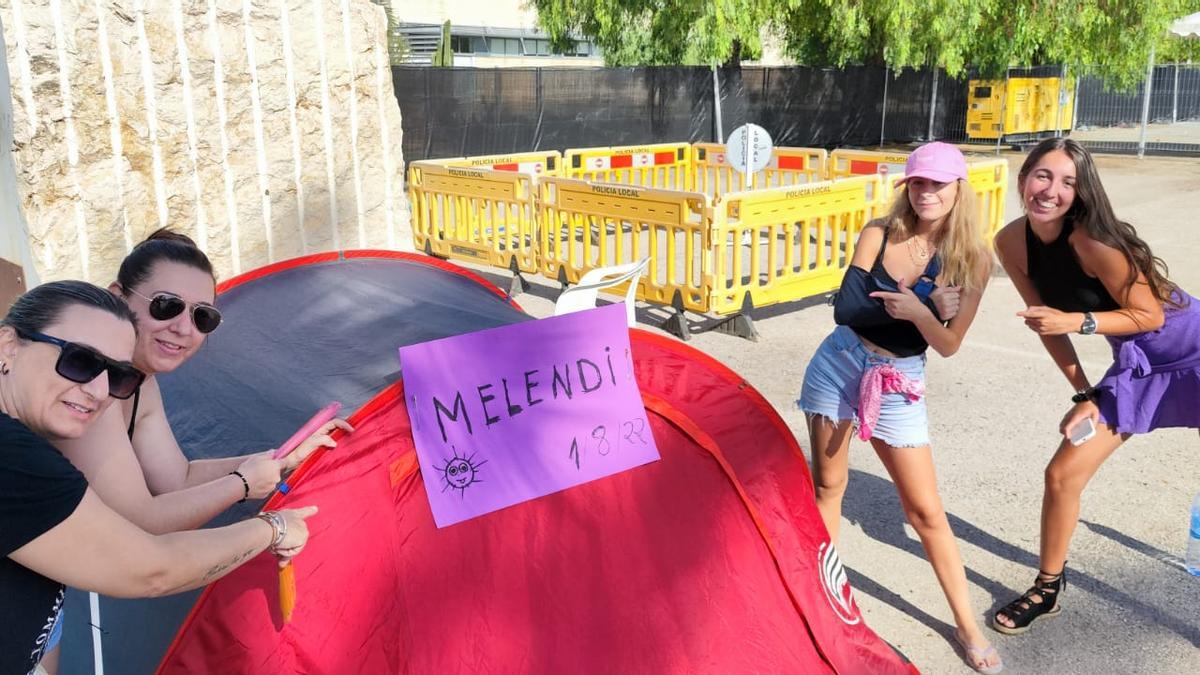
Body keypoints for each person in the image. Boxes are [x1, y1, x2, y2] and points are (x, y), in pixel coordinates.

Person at [45, 230, 350, 674]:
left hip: (42, 588)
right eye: (166, 306)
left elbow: (177, 478)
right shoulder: (90, 388)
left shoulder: (139, 382)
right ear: (118, 297)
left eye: (202, 316)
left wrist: (279, 459)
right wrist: (246, 489)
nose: (184, 328)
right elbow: (144, 523)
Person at [798, 142, 1001, 673]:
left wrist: (916, 313)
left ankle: (967, 624)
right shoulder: (879, 232)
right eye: (917, 182)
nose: (926, 192)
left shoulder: (973, 259)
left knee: (925, 511)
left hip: (898, 381)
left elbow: (949, 344)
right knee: (828, 487)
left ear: (959, 188)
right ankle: (826, 604)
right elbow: (846, 311)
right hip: (837, 365)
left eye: (937, 183)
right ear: (906, 186)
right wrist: (925, 306)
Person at [990, 138, 1200, 635]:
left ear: (1081, 192)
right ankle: (1047, 588)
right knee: (1062, 474)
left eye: (1067, 182)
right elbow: (1048, 325)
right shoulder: (1011, 242)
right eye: (1043, 176)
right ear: (1023, 178)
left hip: (1192, 350)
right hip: (1138, 366)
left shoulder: (1095, 242)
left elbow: (1147, 314)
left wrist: (1077, 321)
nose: (1051, 190)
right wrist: (1085, 394)